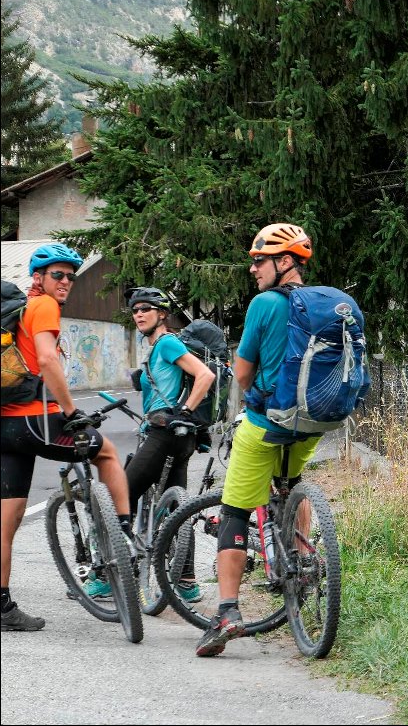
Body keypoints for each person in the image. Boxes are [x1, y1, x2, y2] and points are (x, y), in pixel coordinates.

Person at [195, 223, 322, 656]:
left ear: (285, 262)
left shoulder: (264, 305)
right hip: (314, 423)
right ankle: (304, 562)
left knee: (233, 509)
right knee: (291, 483)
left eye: (259, 260)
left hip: (267, 422)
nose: (253, 269)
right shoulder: (324, 303)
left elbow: (244, 372)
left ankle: (226, 612)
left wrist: (247, 399)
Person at [0, 244, 133, 631]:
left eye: (71, 277)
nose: (67, 283)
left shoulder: (13, 314)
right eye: (58, 275)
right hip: (36, 422)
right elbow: (46, 359)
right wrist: (71, 412)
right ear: (38, 278)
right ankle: (123, 534)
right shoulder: (41, 306)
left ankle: (2, 606)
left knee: (7, 520)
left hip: (4, 429)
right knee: (106, 453)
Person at [81, 287, 216, 601]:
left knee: (118, 498)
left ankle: (102, 577)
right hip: (181, 438)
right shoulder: (157, 350)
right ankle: (186, 582)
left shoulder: (167, 343)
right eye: (135, 310)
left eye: (146, 309)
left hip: (165, 434)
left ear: (162, 314)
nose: (139, 314)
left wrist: (183, 412)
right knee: (176, 510)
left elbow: (205, 376)